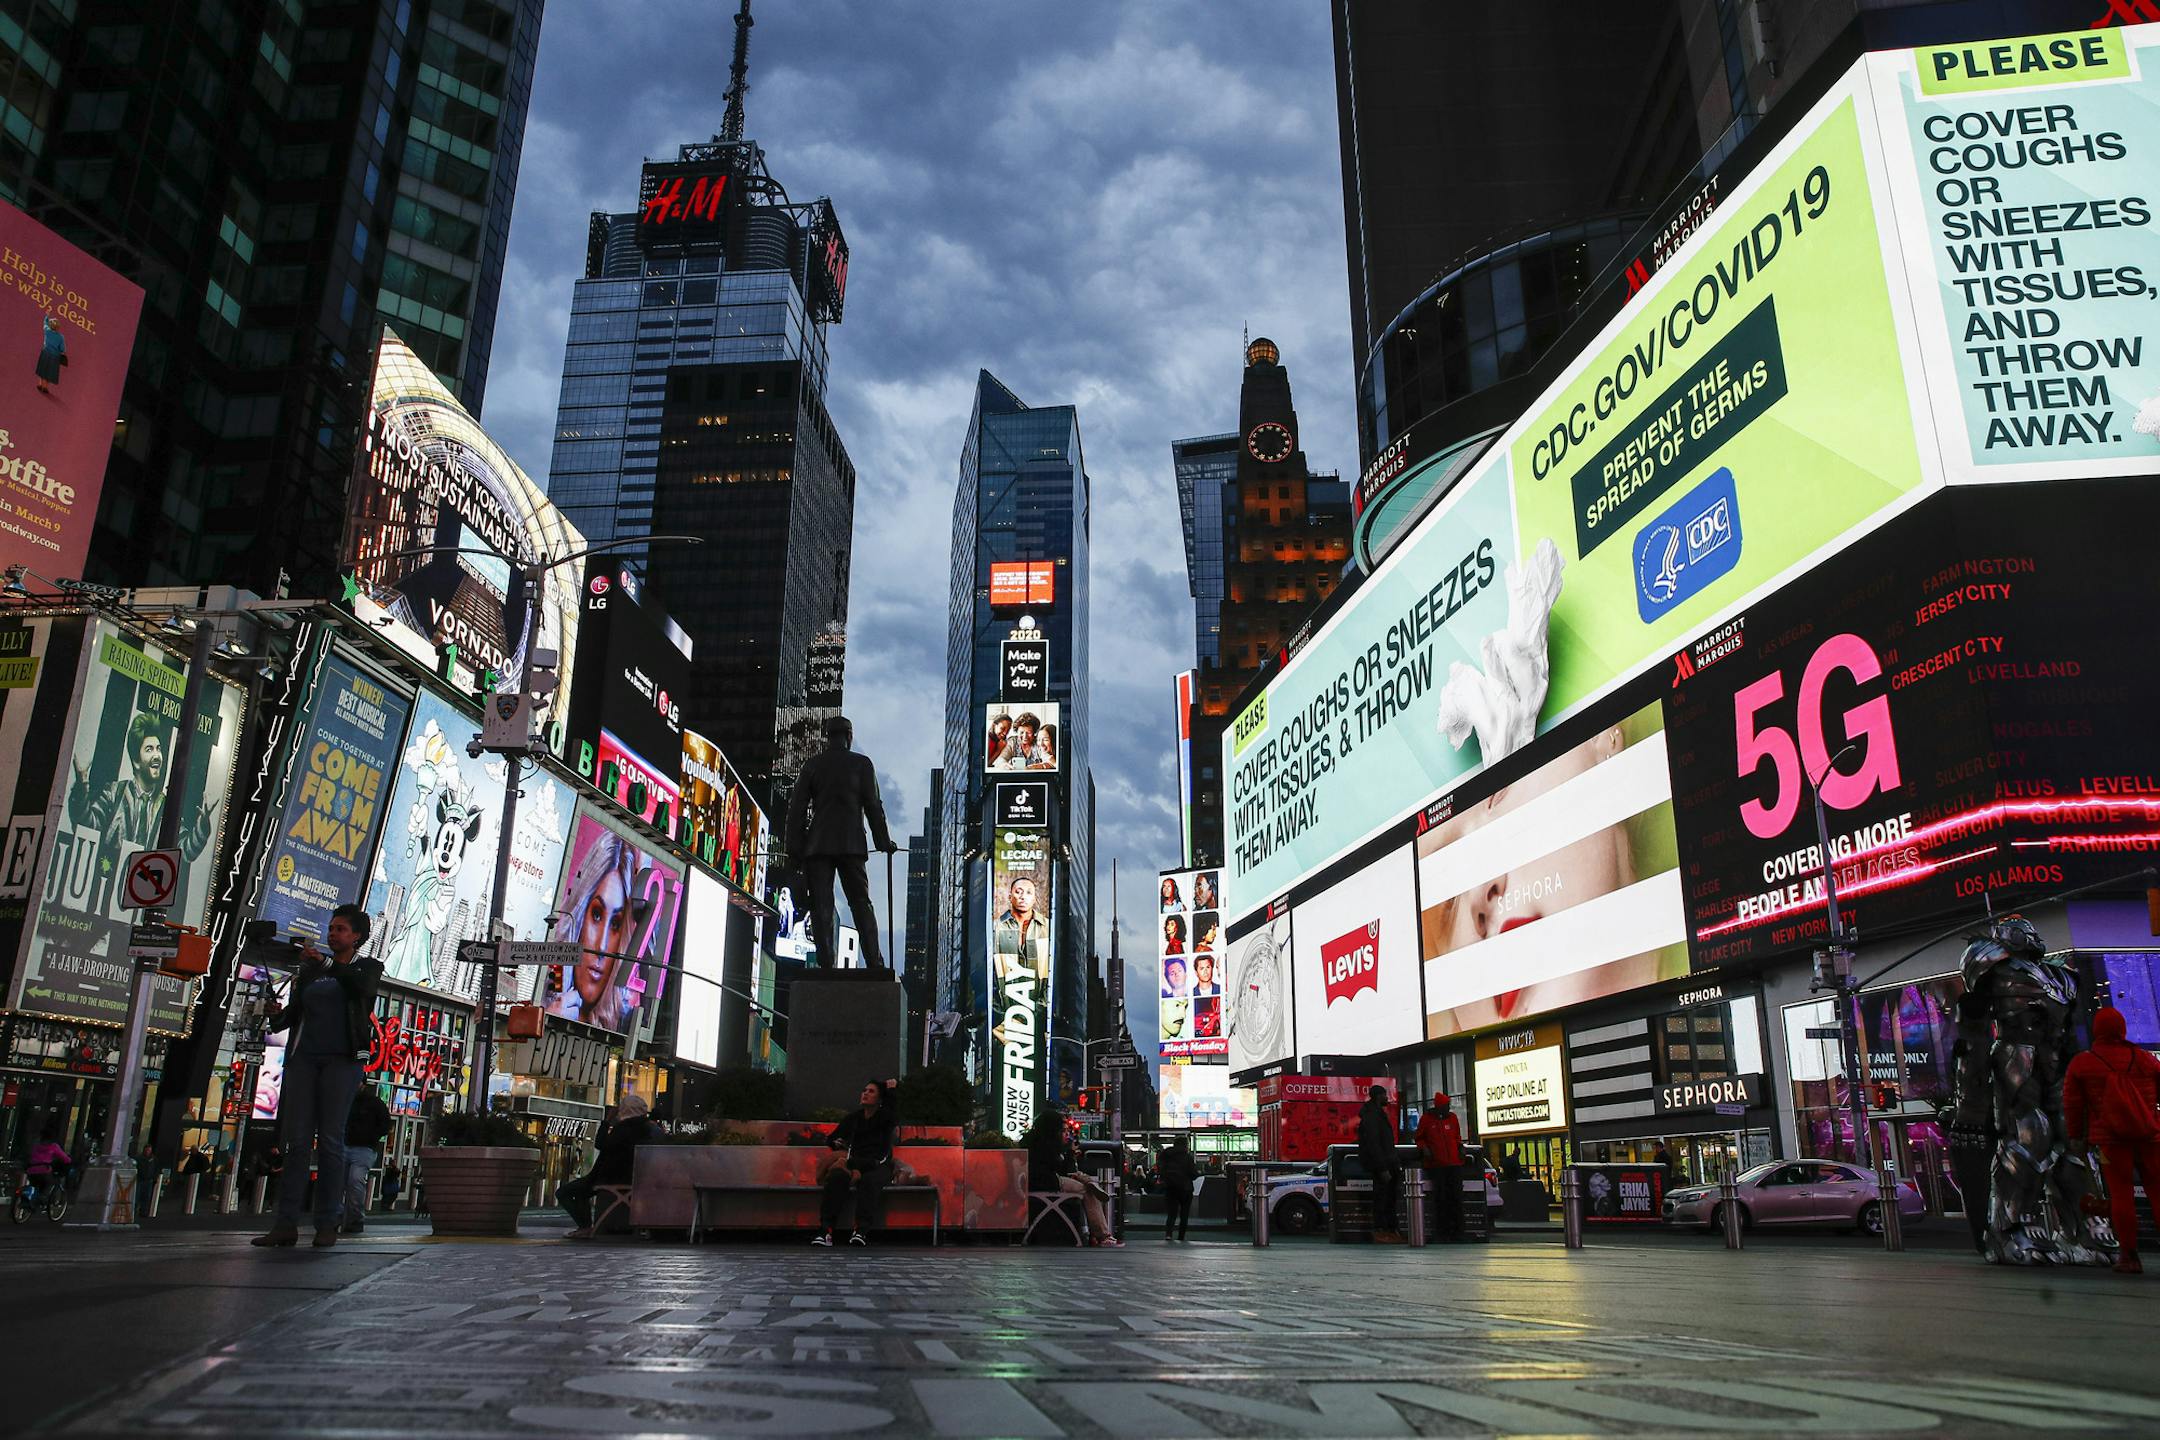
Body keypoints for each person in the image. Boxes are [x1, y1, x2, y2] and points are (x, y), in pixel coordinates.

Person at [252, 905, 381, 1249]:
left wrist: (325, 963)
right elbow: (295, 1014)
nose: (333, 934)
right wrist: (276, 1016)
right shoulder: (312, 973)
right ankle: (286, 1223)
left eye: (340, 929)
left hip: (341, 1061)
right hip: (305, 1060)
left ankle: (327, 1222)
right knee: (296, 1142)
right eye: (332, 928)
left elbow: (361, 988)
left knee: (330, 1141)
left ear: (356, 936)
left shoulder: (366, 968)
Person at [784, 715, 898, 970]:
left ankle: (825, 963)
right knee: (861, 903)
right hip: (851, 845)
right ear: (849, 736)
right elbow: (873, 806)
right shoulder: (861, 764)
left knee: (821, 905)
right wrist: (883, 841)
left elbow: (797, 811)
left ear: (828, 736)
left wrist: (795, 850)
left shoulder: (813, 766)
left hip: (818, 845)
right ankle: (874, 962)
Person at [2065, 1005, 2160, 1275]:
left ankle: (2129, 1255)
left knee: (2121, 1195)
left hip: (2111, 1141)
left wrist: (2076, 1138)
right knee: (2157, 1191)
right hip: (2150, 1136)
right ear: (2122, 1029)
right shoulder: (2144, 1059)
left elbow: (2073, 1106)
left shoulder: (2083, 1063)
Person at [550, 831, 653, 1030]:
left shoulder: (625, 1023)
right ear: (580, 915)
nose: (602, 946)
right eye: (596, 915)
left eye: (615, 924)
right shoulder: (549, 984)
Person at [815, 1077, 901, 1247]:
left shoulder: (884, 1117)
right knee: (836, 1177)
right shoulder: (853, 1119)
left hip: (877, 1164)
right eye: (864, 1091)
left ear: (879, 1098)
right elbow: (832, 1138)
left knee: (870, 1181)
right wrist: (835, 1143)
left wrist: (891, 1091)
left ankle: (860, 1230)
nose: (865, 1094)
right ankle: (826, 1230)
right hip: (854, 1163)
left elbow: (893, 1115)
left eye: (871, 1091)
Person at [559, 1092, 655, 1239]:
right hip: (632, 1177)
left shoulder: (624, 1128)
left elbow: (601, 1144)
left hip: (609, 1177)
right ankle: (586, 1226)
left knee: (564, 1192)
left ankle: (585, 1226)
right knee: (580, 1193)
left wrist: (607, 1122)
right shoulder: (648, 1129)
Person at [1026, 1109, 1120, 1246]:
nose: (1066, 1134)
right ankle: (1102, 1234)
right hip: (1049, 1181)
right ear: (1054, 1129)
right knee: (1086, 1190)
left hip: (1048, 1180)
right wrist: (1069, 1155)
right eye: (1063, 1130)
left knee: (1082, 1180)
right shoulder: (1047, 1146)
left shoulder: (1036, 1141)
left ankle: (1091, 1184)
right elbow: (1059, 1170)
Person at [342, 1084, 393, 1234]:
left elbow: (386, 1124)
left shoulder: (372, 1103)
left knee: (354, 1180)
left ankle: (351, 1218)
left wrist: (371, 1137)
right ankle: (348, 1218)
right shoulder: (353, 1101)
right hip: (356, 1145)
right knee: (348, 1181)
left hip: (362, 1146)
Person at [1414, 1092, 1465, 1241]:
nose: (1448, 1108)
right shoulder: (1427, 1120)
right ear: (1440, 1106)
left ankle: (1457, 1231)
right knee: (1441, 1198)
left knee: (1455, 1198)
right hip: (1437, 1165)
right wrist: (1424, 1148)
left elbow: (1457, 1137)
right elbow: (1419, 1137)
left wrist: (1460, 1147)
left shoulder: (1453, 1118)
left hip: (1453, 1164)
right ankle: (1443, 1231)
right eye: (1446, 1105)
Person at [1359, 1084, 1403, 1243]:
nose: (1387, 1098)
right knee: (1384, 1198)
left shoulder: (1373, 1114)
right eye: (1385, 1095)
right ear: (1378, 1096)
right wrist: (1383, 1167)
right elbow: (1374, 1143)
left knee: (1385, 1198)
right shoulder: (1374, 1116)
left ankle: (1387, 1230)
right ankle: (1384, 1230)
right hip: (1384, 1164)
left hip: (1384, 1163)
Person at [1158, 1136, 1197, 1242]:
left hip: (1170, 1187)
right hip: (1186, 1188)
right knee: (1184, 1214)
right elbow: (1193, 1174)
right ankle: (1181, 1236)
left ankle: (1168, 1234)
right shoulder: (1187, 1157)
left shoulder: (1166, 1155)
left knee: (1171, 1213)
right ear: (1185, 1145)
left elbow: (1161, 1170)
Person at [22, 1124, 71, 1207]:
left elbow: (29, 1153)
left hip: (31, 1169)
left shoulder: (36, 1144)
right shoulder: (53, 1146)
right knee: (49, 1183)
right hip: (44, 1170)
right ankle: (42, 1198)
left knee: (33, 1184)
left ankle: (27, 1199)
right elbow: (65, 1159)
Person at [34, 313, 64, 393]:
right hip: (54, 356)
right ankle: (45, 387)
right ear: (58, 327)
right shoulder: (61, 337)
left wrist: (47, 315)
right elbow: (62, 349)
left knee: (42, 369)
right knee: (49, 371)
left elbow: (45, 322)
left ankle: (40, 384)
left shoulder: (47, 331)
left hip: (45, 353)